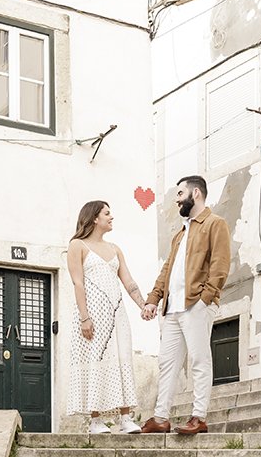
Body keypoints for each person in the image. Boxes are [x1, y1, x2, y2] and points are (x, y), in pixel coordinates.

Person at [139, 175, 230, 436]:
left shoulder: (215, 224)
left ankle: (199, 417)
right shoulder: (180, 233)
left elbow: (221, 265)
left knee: (199, 361)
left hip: (196, 305)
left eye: (180, 194)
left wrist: (205, 299)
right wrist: (153, 299)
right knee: (167, 363)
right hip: (173, 309)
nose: (177, 199)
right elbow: (167, 269)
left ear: (196, 194)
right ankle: (160, 418)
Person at [66, 201, 148, 435]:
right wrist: (84, 318)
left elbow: (129, 282)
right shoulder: (77, 245)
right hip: (91, 314)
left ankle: (125, 417)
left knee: (122, 359)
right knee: (96, 361)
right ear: (94, 218)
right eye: (107, 213)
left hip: (116, 313)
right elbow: (77, 282)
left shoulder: (115, 249)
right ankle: (95, 420)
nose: (112, 217)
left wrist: (144, 305)